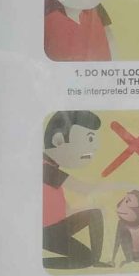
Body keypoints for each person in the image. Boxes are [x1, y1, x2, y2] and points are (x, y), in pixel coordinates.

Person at [42, 110, 105, 267]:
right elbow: (85, 189)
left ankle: (94, 261)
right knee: (94, 215)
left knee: (84, 258)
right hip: (46, 231)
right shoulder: (45, 169)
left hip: (55, 227)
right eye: (89, 139)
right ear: (58, 140)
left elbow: (56, 202)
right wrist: (126, 186)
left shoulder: (50, 167)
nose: (95, 147)